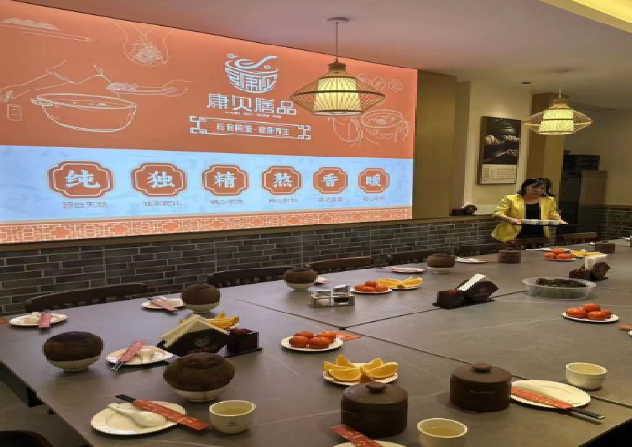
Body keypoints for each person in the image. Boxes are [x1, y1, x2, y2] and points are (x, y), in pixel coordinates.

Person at [492, 178, 566, 242]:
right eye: (534, 187)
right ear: (525, 187)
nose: (538, 190)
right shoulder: (510, 199)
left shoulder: (548, 200)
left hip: (538, 234)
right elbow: (497, 213)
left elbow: (552, 214)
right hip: (512, 235)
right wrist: (511, 220)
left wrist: (559, 220)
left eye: (542, 188)